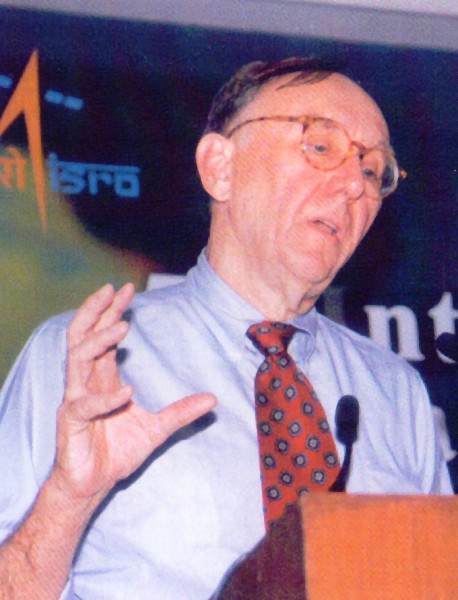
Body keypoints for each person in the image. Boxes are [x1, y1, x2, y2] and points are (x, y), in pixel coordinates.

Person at [0, 57, 452, 599]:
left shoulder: (394, 392)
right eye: (320, 145)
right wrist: (69, 497)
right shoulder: (90, 359)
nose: (355, 184)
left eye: (374, 171)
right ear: (220, 167)